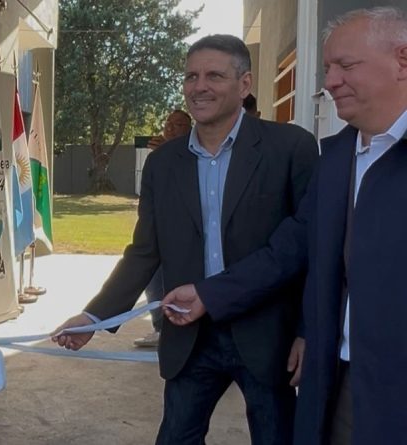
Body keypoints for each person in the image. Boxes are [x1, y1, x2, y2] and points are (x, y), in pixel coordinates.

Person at [53, 34, 318, 445]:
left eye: (214, 76)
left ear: (245, 84)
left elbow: (306, 250)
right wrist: (95, 316)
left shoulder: (290, 147)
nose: (199, 87)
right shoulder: (162, 164)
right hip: (190, 336)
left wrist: (307, 331)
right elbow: (144, 252)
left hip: (267, 335)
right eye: (191, 76)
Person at [163, 7, 407, 445]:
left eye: (346, 65)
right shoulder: (336, 159)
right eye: (328, 68)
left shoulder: (295, 149)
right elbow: (291, 250)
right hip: (341, 379)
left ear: (402, 60)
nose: (330, 81)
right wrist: (209, 295)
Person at [134, 109, 192, 348]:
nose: (170, 128)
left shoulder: (194, 156)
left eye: (178, 124)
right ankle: (160, 328)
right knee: (153, 280)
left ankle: (179, 327)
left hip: (184, 235)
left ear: (189, 130)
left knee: (177, 282)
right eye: (168, 123)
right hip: (157, 231)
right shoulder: (155, 159)